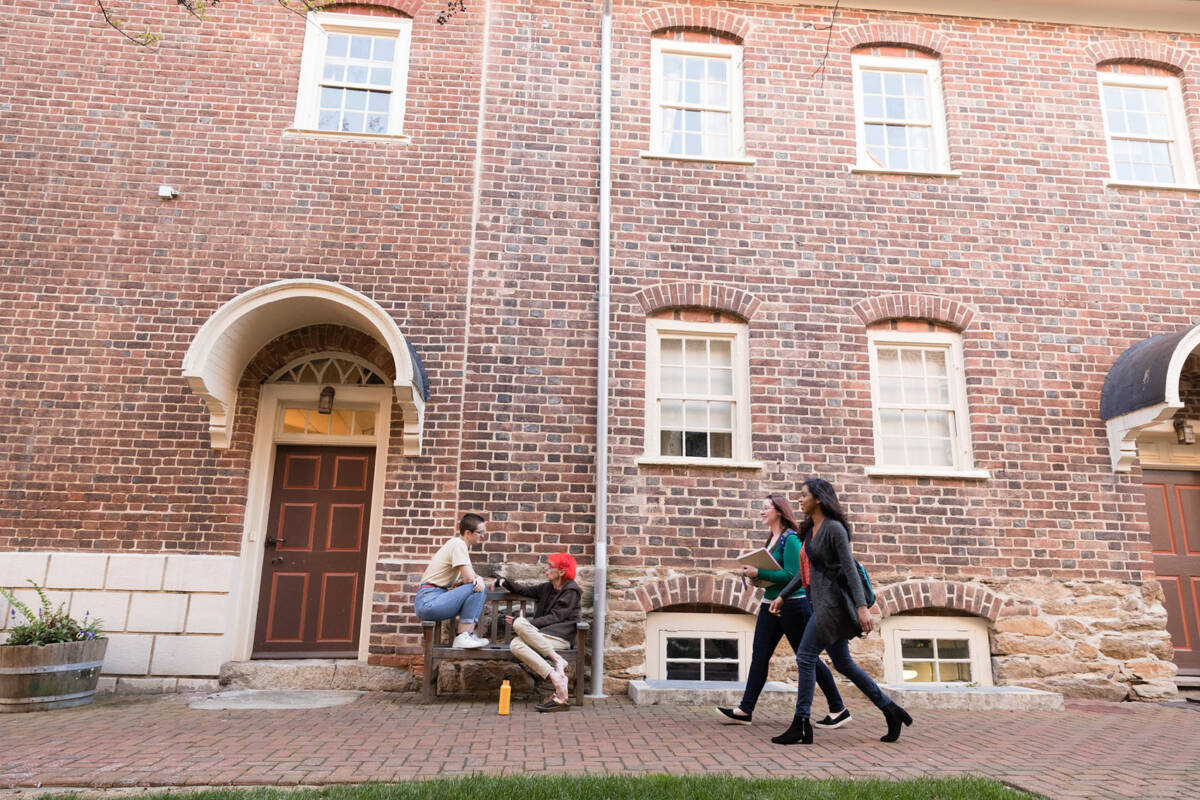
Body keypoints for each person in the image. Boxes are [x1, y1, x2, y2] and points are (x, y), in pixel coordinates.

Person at [769, 479, 912, 745]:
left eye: (804, 495)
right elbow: (806, 573)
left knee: (805, 656)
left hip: (832, 606)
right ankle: (891, 710)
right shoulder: (810, 530)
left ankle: (801, 723)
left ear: (819, 499)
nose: (799, 500)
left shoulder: (834, 529)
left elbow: (848, 568)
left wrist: (862, 608)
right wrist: (782, 595)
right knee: (844, 663)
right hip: (818, 602)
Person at [716, 494, 849, 729]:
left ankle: (838, 708)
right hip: (769, 603)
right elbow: (774, 575)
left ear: (779, 511)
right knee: (760, 655)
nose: (761, 511)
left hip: (793, 606)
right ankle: (745, 710)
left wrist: (760, 573)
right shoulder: (772, 539)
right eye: (761, 507)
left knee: (806, 657)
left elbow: (792, 576)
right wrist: (758, 579)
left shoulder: (791, 539)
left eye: (766, 507)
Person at [495, 552, 582, 712]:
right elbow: (525, 590)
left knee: (520, 623)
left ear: (562, 571)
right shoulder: (547, 588)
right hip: (542, 637)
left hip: (560, 638)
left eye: (550, 566)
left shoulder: (571, 591)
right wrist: (504, 582)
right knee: (515, 645)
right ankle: (555, 675)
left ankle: (557, 659)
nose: (546, 569)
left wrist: (527, 623)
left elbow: (556, 616)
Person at [414, 513, 491, 649]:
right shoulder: (458, 544)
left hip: (433, 598)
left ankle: (466, 635)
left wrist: (477, 578)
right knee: (477, 588)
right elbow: (469, 578)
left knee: (477, 587)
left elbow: (468, 578)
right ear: (468, 532)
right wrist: (478, 579)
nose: (482, 536)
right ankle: (463, 636)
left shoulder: (458, 545)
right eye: (480, 533)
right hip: (429, 601)